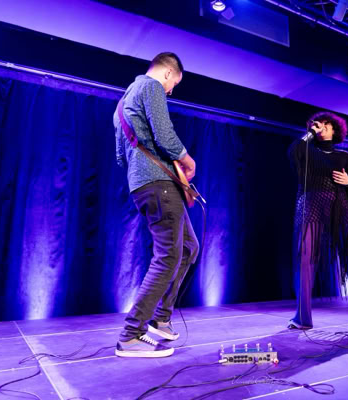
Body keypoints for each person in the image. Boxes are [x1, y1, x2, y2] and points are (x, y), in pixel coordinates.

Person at [113, 52, 199, 357]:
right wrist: (187, 160)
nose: (171, 91)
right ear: (167, 73)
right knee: (168, 256)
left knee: (188, 248)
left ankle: (160, 318)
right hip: (159, 184)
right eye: (173, 84)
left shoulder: (123, 102)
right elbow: (164, 134)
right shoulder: (150, 86)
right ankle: (130, 335)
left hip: (142, 183)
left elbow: (121, 156)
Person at [288, 111, 348, 337]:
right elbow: (293, 152)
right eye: (318, 124)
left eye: (326, 124)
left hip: (341, 208)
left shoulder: (343, 156)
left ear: (335, 130)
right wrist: (309, 133)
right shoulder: (307, 150)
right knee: (305, 260)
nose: (322, 126)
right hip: (311, 207)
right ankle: (302, 318)